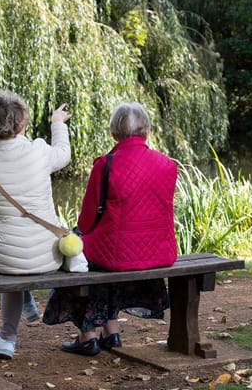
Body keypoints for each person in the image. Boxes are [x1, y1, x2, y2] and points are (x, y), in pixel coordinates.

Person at [42, 102, 178, 356]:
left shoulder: (106, 164)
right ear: (146, 131)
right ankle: (111, 330)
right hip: (159, 252)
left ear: (114, 133)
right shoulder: (168, 165)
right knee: (108, 255)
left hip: (117, 254)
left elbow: (86, 222)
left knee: (77, 253)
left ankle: (88, 335)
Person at [0, 91, 72, 359]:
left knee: (8, 251)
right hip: (49, 256)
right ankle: (19, 311)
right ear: (23, 124)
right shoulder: (39, 151)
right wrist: (57, 123)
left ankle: (7, 337)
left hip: (5, 259)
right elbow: (63, 154)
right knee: (21, 250)